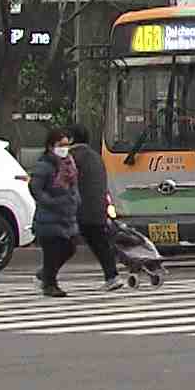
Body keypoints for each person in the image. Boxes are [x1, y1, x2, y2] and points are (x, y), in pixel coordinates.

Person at [30, 127, 82, 298]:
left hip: (67, 215)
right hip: (49, 217)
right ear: (51, 146)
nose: (64, 148)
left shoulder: (69, 163)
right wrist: (50, 202)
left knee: (70, 247)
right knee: (52, 252)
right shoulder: (44, 165)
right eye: (61, 145)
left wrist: (75, 200)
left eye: (67, 145)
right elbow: (35, 188)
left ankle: (45, 275)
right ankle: (50, 284)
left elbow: (74, 186)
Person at [69, 124, 120, 293]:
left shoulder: (72, 158)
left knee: (62, 244)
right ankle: (112, 275)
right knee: (99, 242)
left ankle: (45, 276)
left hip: (81, 208)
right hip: (98, 207)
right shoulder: (96, 156)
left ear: (71, 138)